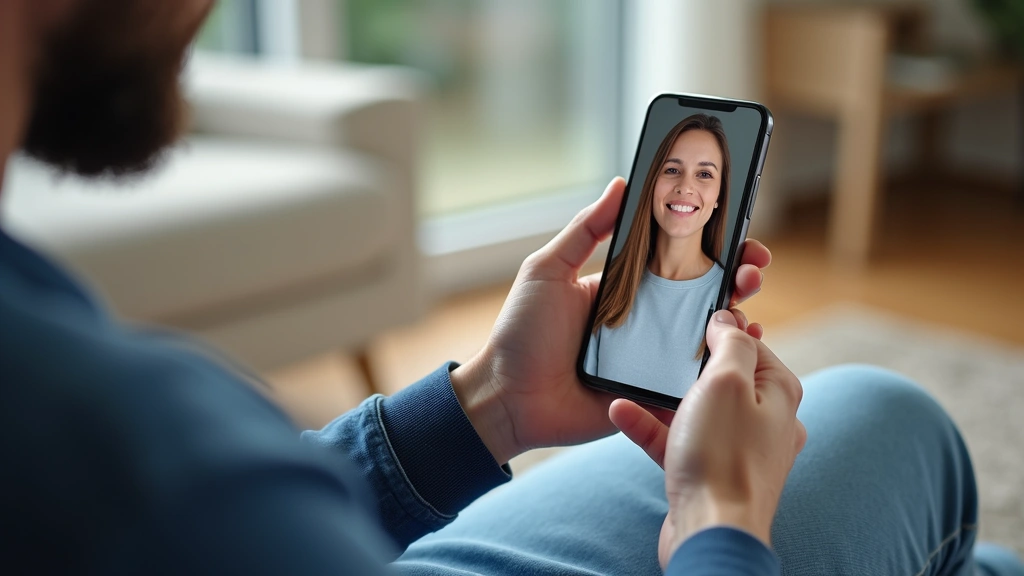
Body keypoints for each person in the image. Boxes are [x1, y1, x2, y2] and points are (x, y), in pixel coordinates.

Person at [1, 1, 1021, 575]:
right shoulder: (141, 468)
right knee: (888, 417)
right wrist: (722, 515)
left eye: (707, 175)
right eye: (677, 169)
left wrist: (487, 401)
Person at [586, 114, 732, 395]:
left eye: (704, 174)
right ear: (653, 182)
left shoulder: (724, 302)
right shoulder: (611, 284)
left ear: (719, 198)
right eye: (672, 170)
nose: (685, 187)